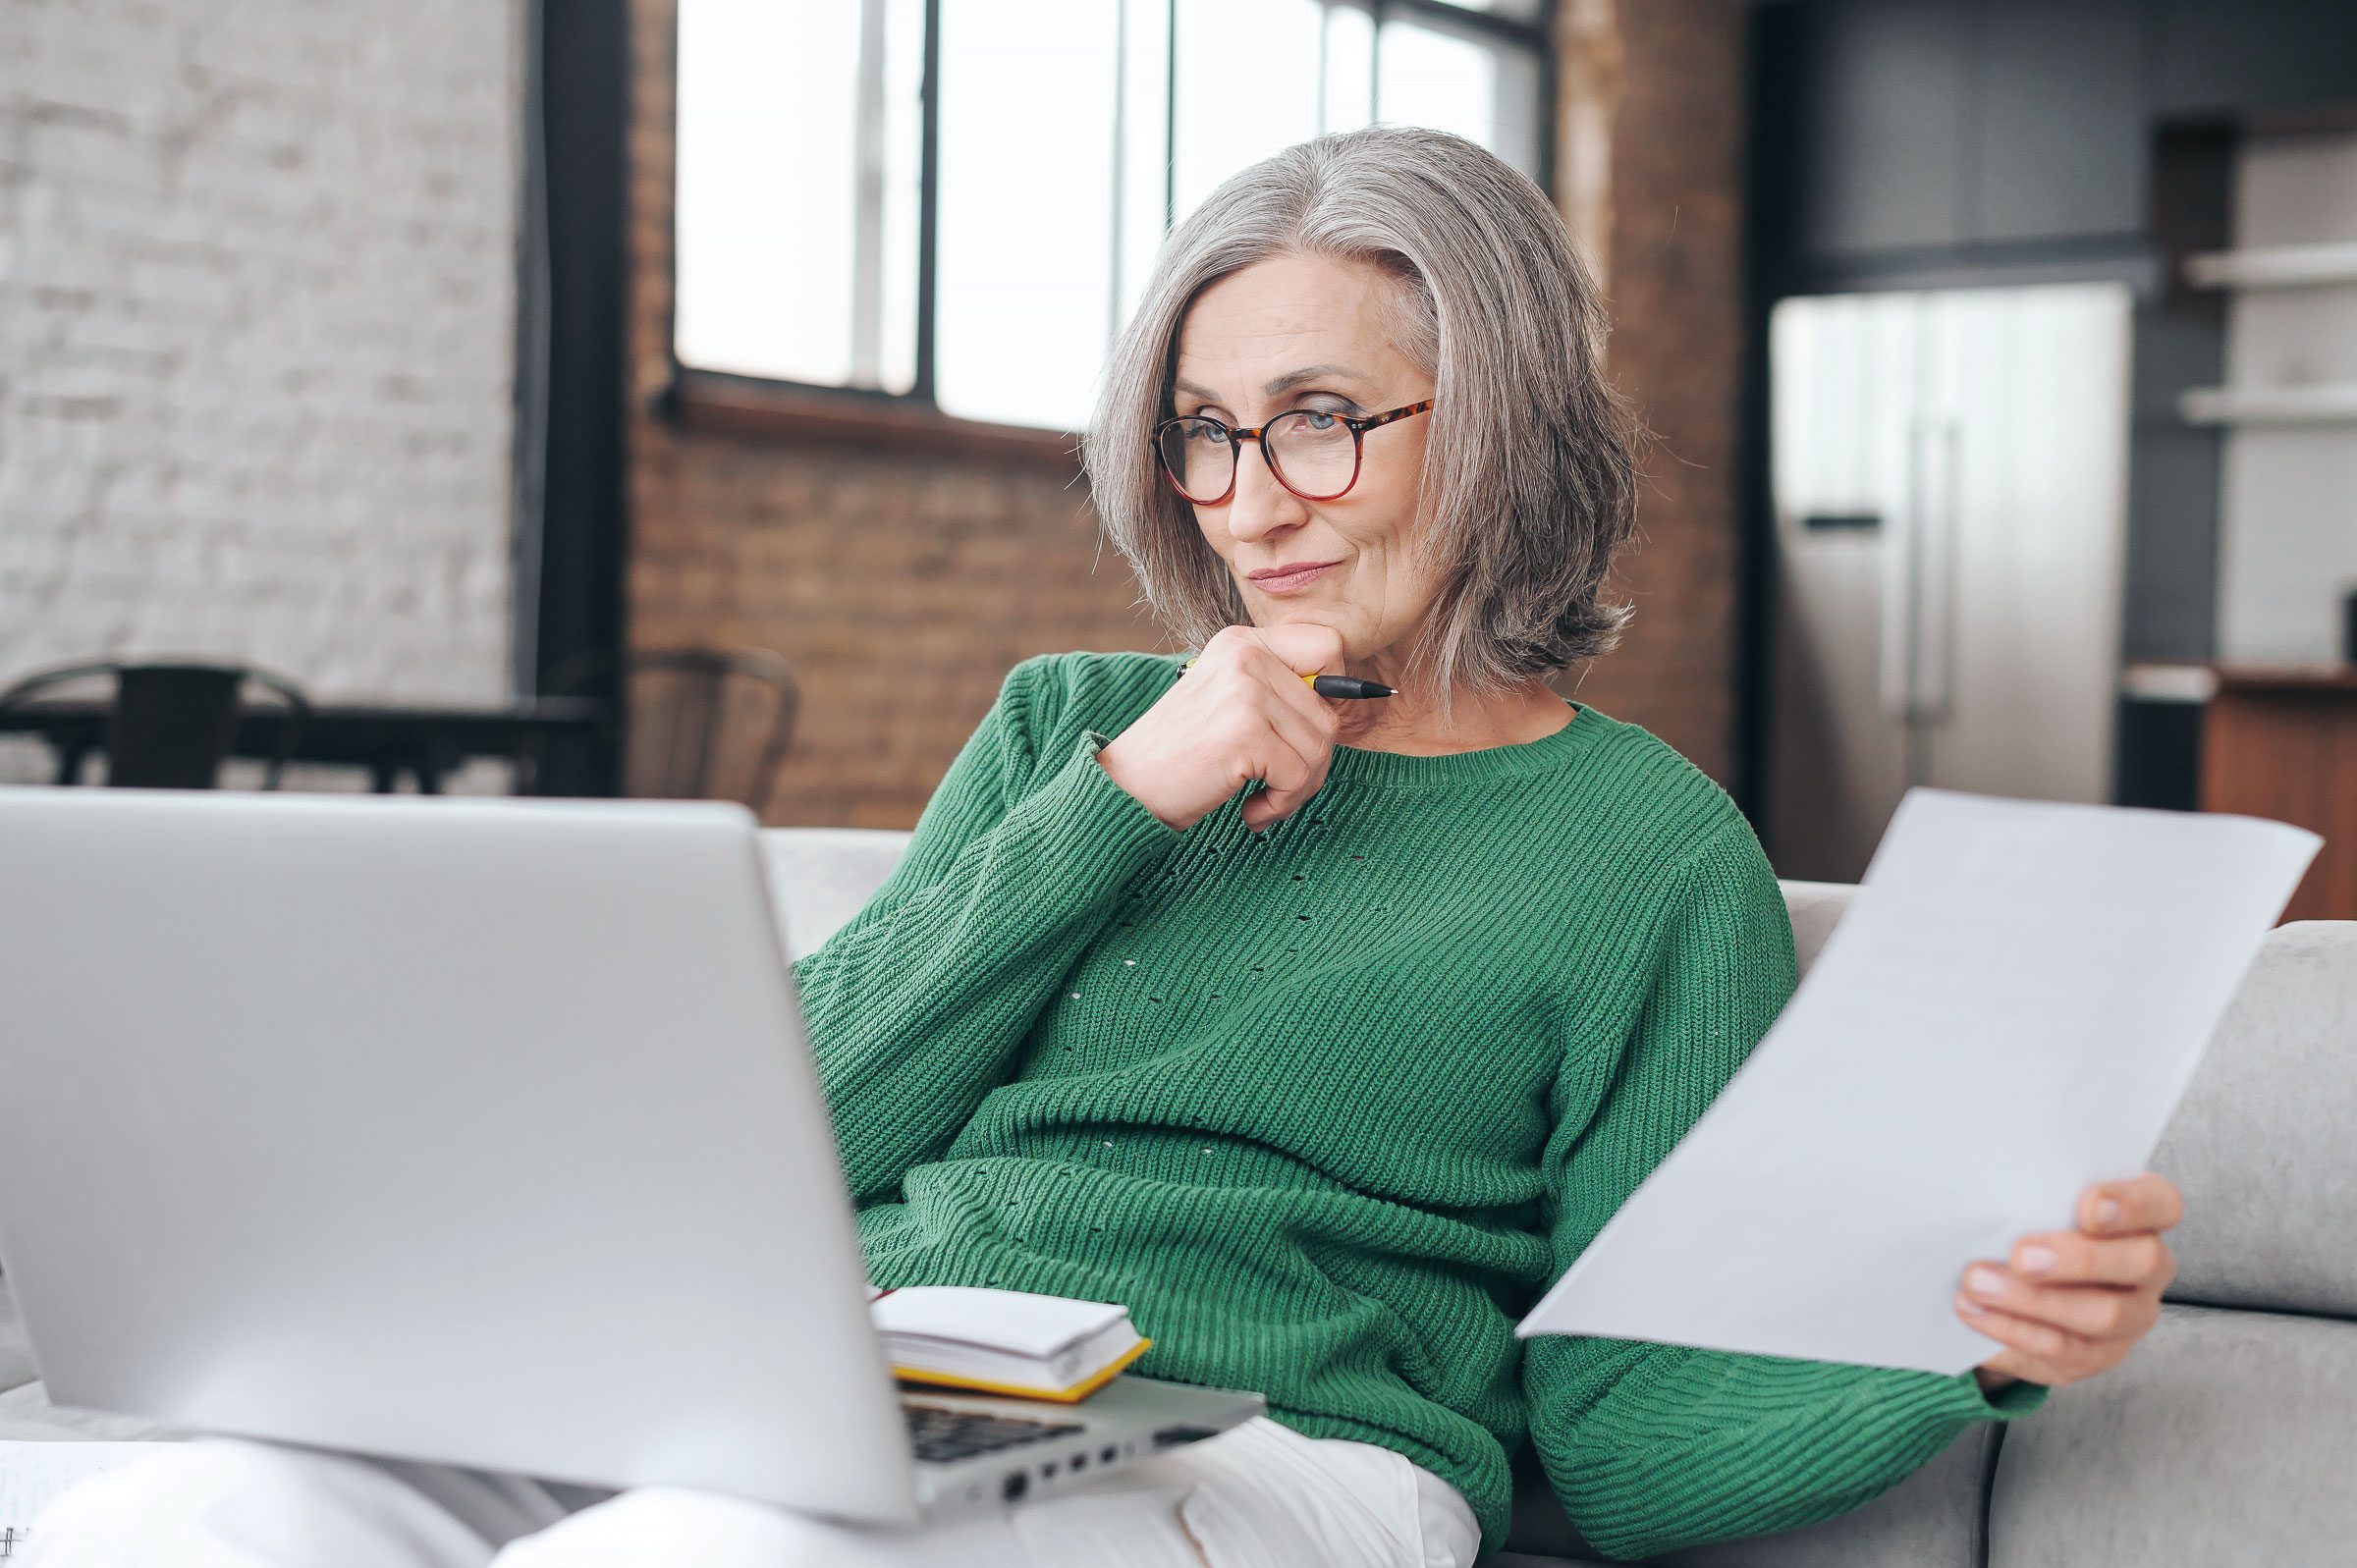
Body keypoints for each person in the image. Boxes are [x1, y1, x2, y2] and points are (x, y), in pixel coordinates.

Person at [27, 125, 2183, 1568]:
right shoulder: (1079, 730)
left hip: (1272, 1450)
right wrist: (1110, 810)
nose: (1256, 496)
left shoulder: (1644, 852)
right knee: (199, 1507)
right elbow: (785, 1125)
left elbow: (1613, 1430)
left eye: (1325, 418)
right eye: (1208, 430)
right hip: (873, 1376)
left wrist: (1963, 1330)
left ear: (1504, 423)